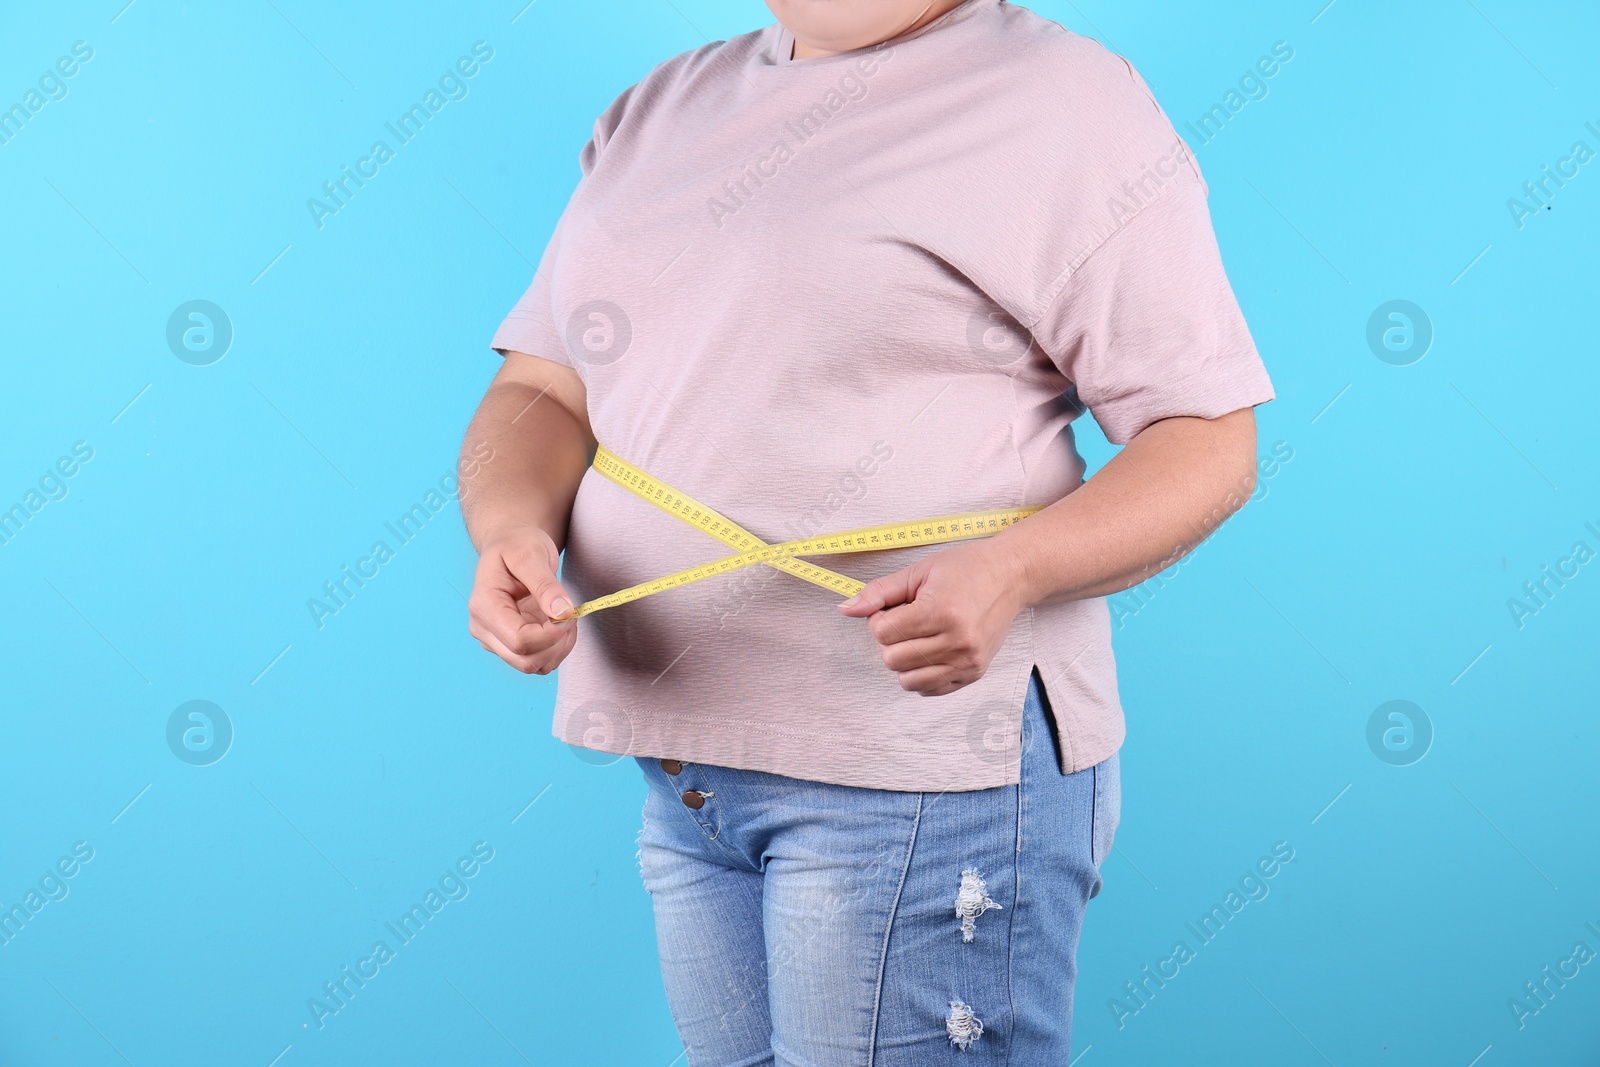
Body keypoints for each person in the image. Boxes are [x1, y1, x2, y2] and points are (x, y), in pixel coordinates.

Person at [457, 0, 1275, 1061]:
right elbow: (545, 385)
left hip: (923, 776)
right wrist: (510, 529)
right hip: (690, 767)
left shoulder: (1062, 103)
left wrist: (1011, 567)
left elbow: (1206, 441)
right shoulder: (660, 106)